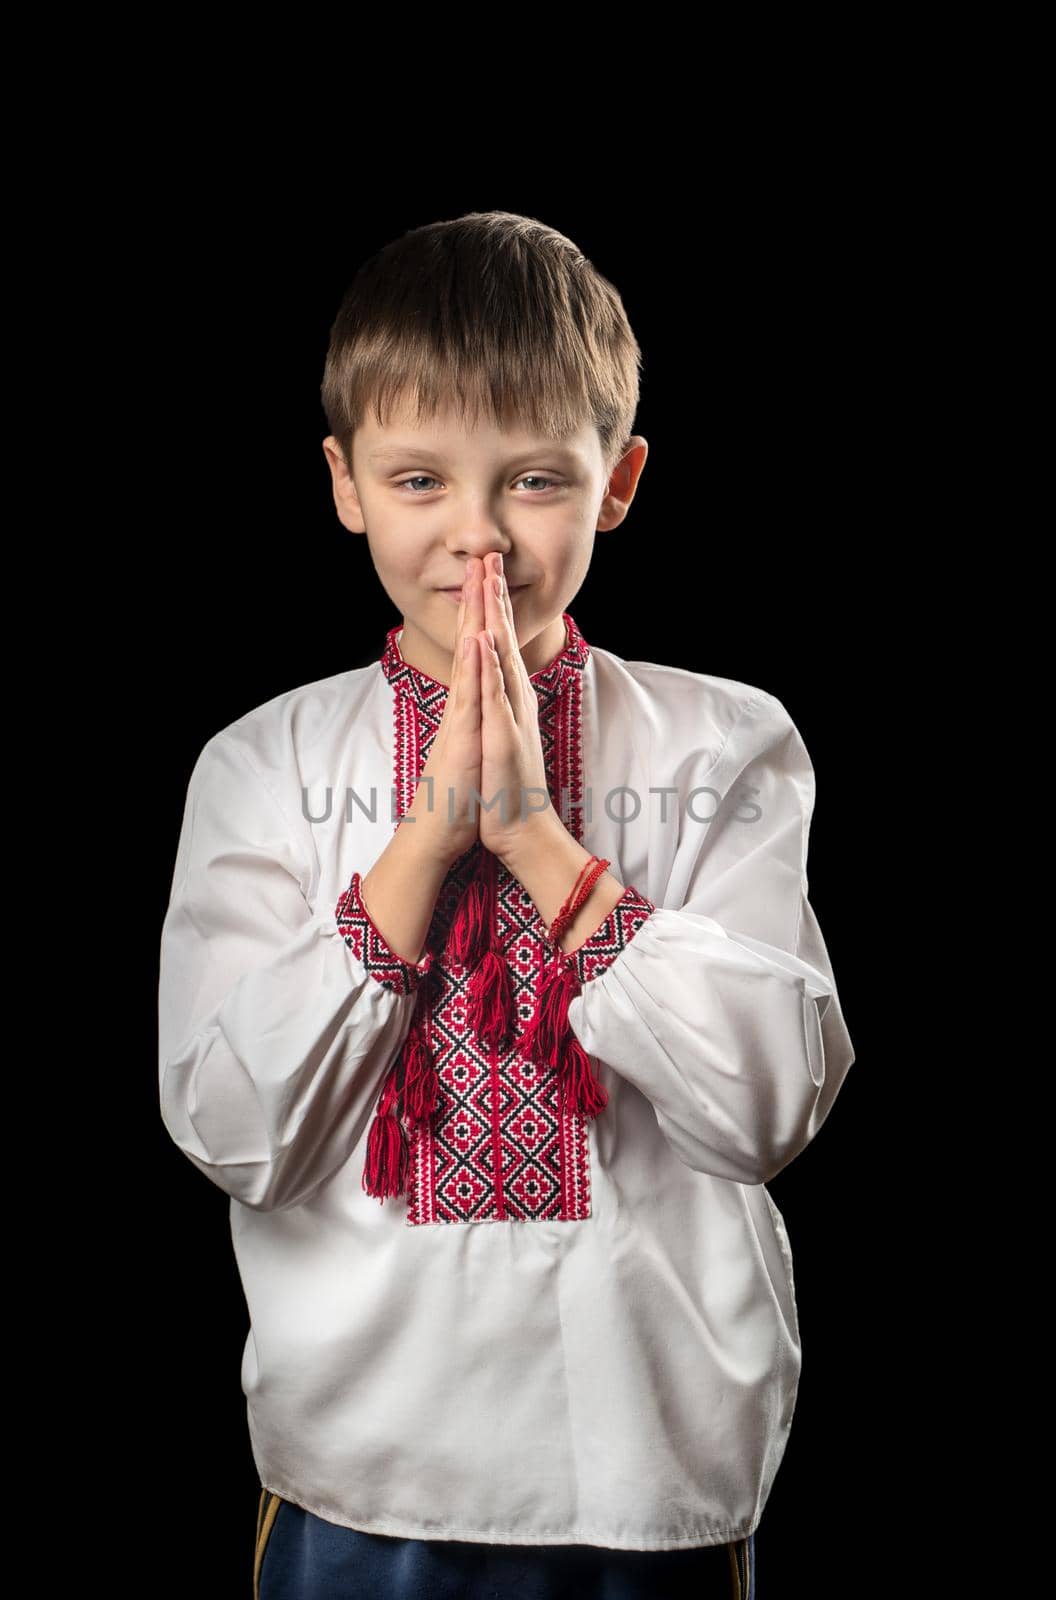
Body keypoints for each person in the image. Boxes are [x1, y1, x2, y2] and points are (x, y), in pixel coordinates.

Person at [158, 210, 855, 1600]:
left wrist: (540, 842)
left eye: (534, 480)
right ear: (345, 482)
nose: (478, 539)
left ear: (619, 481)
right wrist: (428, 840)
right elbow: (233, 1134)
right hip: (361, 1470)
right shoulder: (260, 764)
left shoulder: (727, 746)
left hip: (651, 1467)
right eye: (420, 478)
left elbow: (771, 1106)